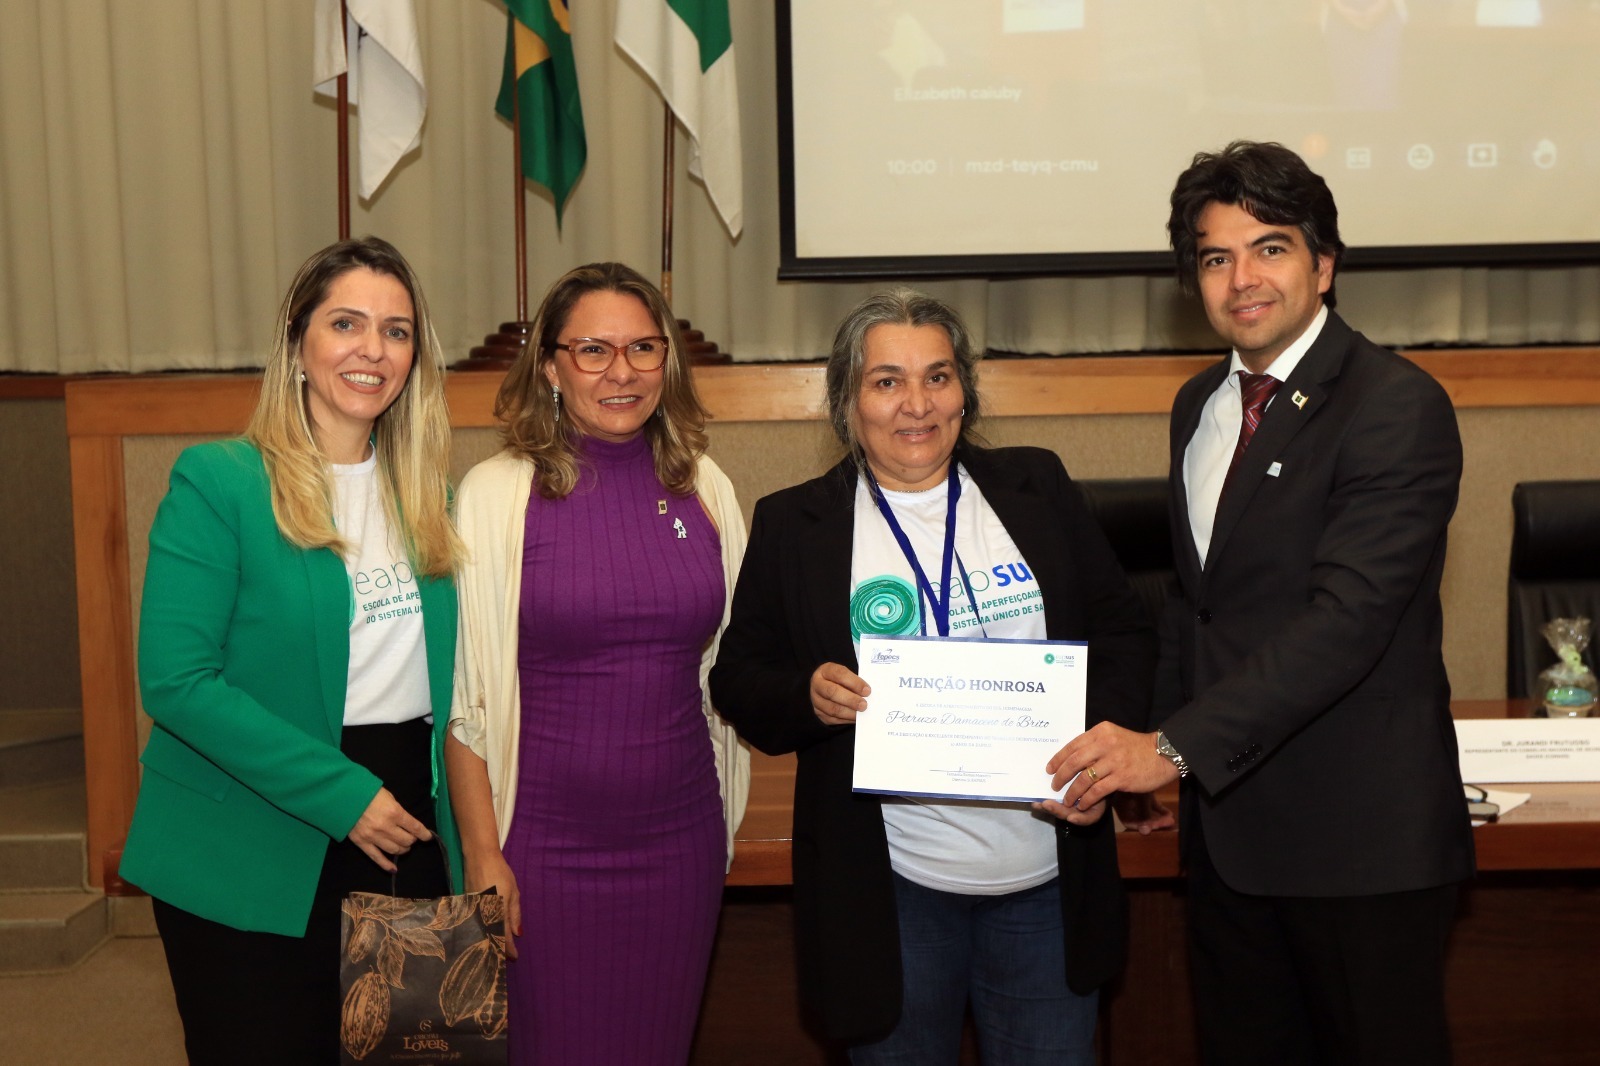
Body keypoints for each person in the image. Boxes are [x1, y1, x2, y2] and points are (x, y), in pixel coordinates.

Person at [1051, 141, 1475, 1065]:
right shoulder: (1201, 405)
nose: (1242, 278)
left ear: (1324, 265)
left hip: (1359, 845)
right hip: (1228, 841)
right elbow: (1196, 606)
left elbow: (1346, 623)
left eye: (1270, 248)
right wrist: (1149, 753)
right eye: (1216, 257)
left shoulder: (1395, 405)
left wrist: (1171, 748)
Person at [708, 289, 1155, 1064]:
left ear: (964, 392)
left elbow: (1124, 631)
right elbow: (739, 677)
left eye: (937, 377)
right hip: (889, 891)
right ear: (847, 403)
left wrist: (1104, 755)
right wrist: (806, 694)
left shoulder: (1036, 486)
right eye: (887, 381)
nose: (916, 404)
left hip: (1047, 880)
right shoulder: (796, 523)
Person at [120, 236, 464, 1064]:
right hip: (249, 836)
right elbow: (176, 681)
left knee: (412, 1053)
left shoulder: (437, 500)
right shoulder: (221, 482)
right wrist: (344, 794)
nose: (372, 349)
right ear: (297, 342)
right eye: (346, 324)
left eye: (396, 331)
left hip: (408, 831)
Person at [446, 261, 749, 1064]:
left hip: (681, 840)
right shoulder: (494, 495)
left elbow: (733, 665)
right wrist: (482, 852)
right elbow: (467, 700)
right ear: (550, 366)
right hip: (541, 847)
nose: (623, 372)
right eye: (593, 351)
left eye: (644, 348)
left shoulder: (706, 487)